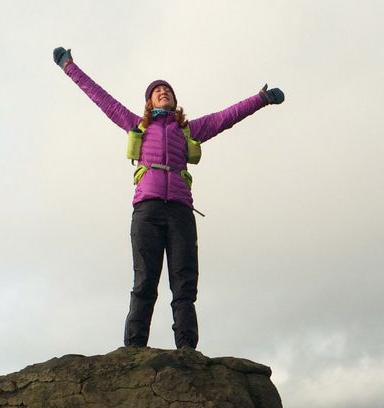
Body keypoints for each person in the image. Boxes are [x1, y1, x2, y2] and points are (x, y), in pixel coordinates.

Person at [52, 46, 284, 350]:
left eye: (167, 90)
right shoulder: (137, 124)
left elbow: (226, 117)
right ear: (149, 101)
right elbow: (100, 96)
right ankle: (134, 351)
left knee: (184, 285)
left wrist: (261, 99)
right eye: (157, 90)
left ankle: (187, 351)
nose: (163, 92)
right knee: (145, 282)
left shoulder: (189, 129)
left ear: (174, 101)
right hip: (147, 210)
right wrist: (69, 66)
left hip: (180, 211)